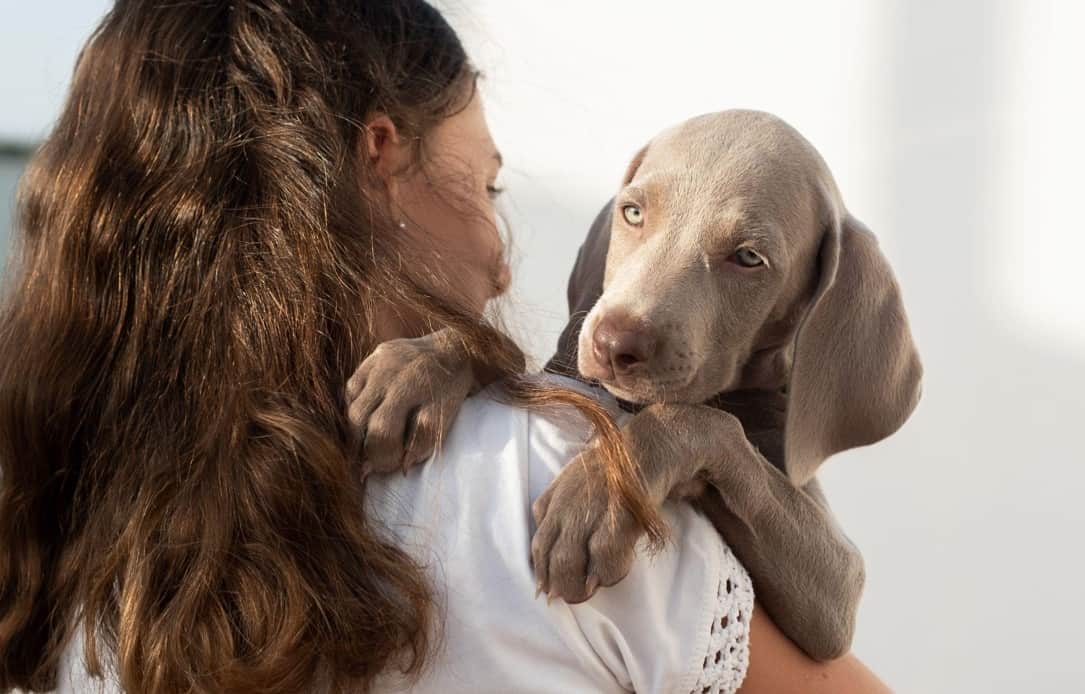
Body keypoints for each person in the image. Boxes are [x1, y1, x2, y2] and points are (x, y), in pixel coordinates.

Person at [0, 1, 890, 692]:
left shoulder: (79, 530)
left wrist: (469, 359)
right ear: (379, 158)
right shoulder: (567, 482)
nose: (504, 265)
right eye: (487, 184)